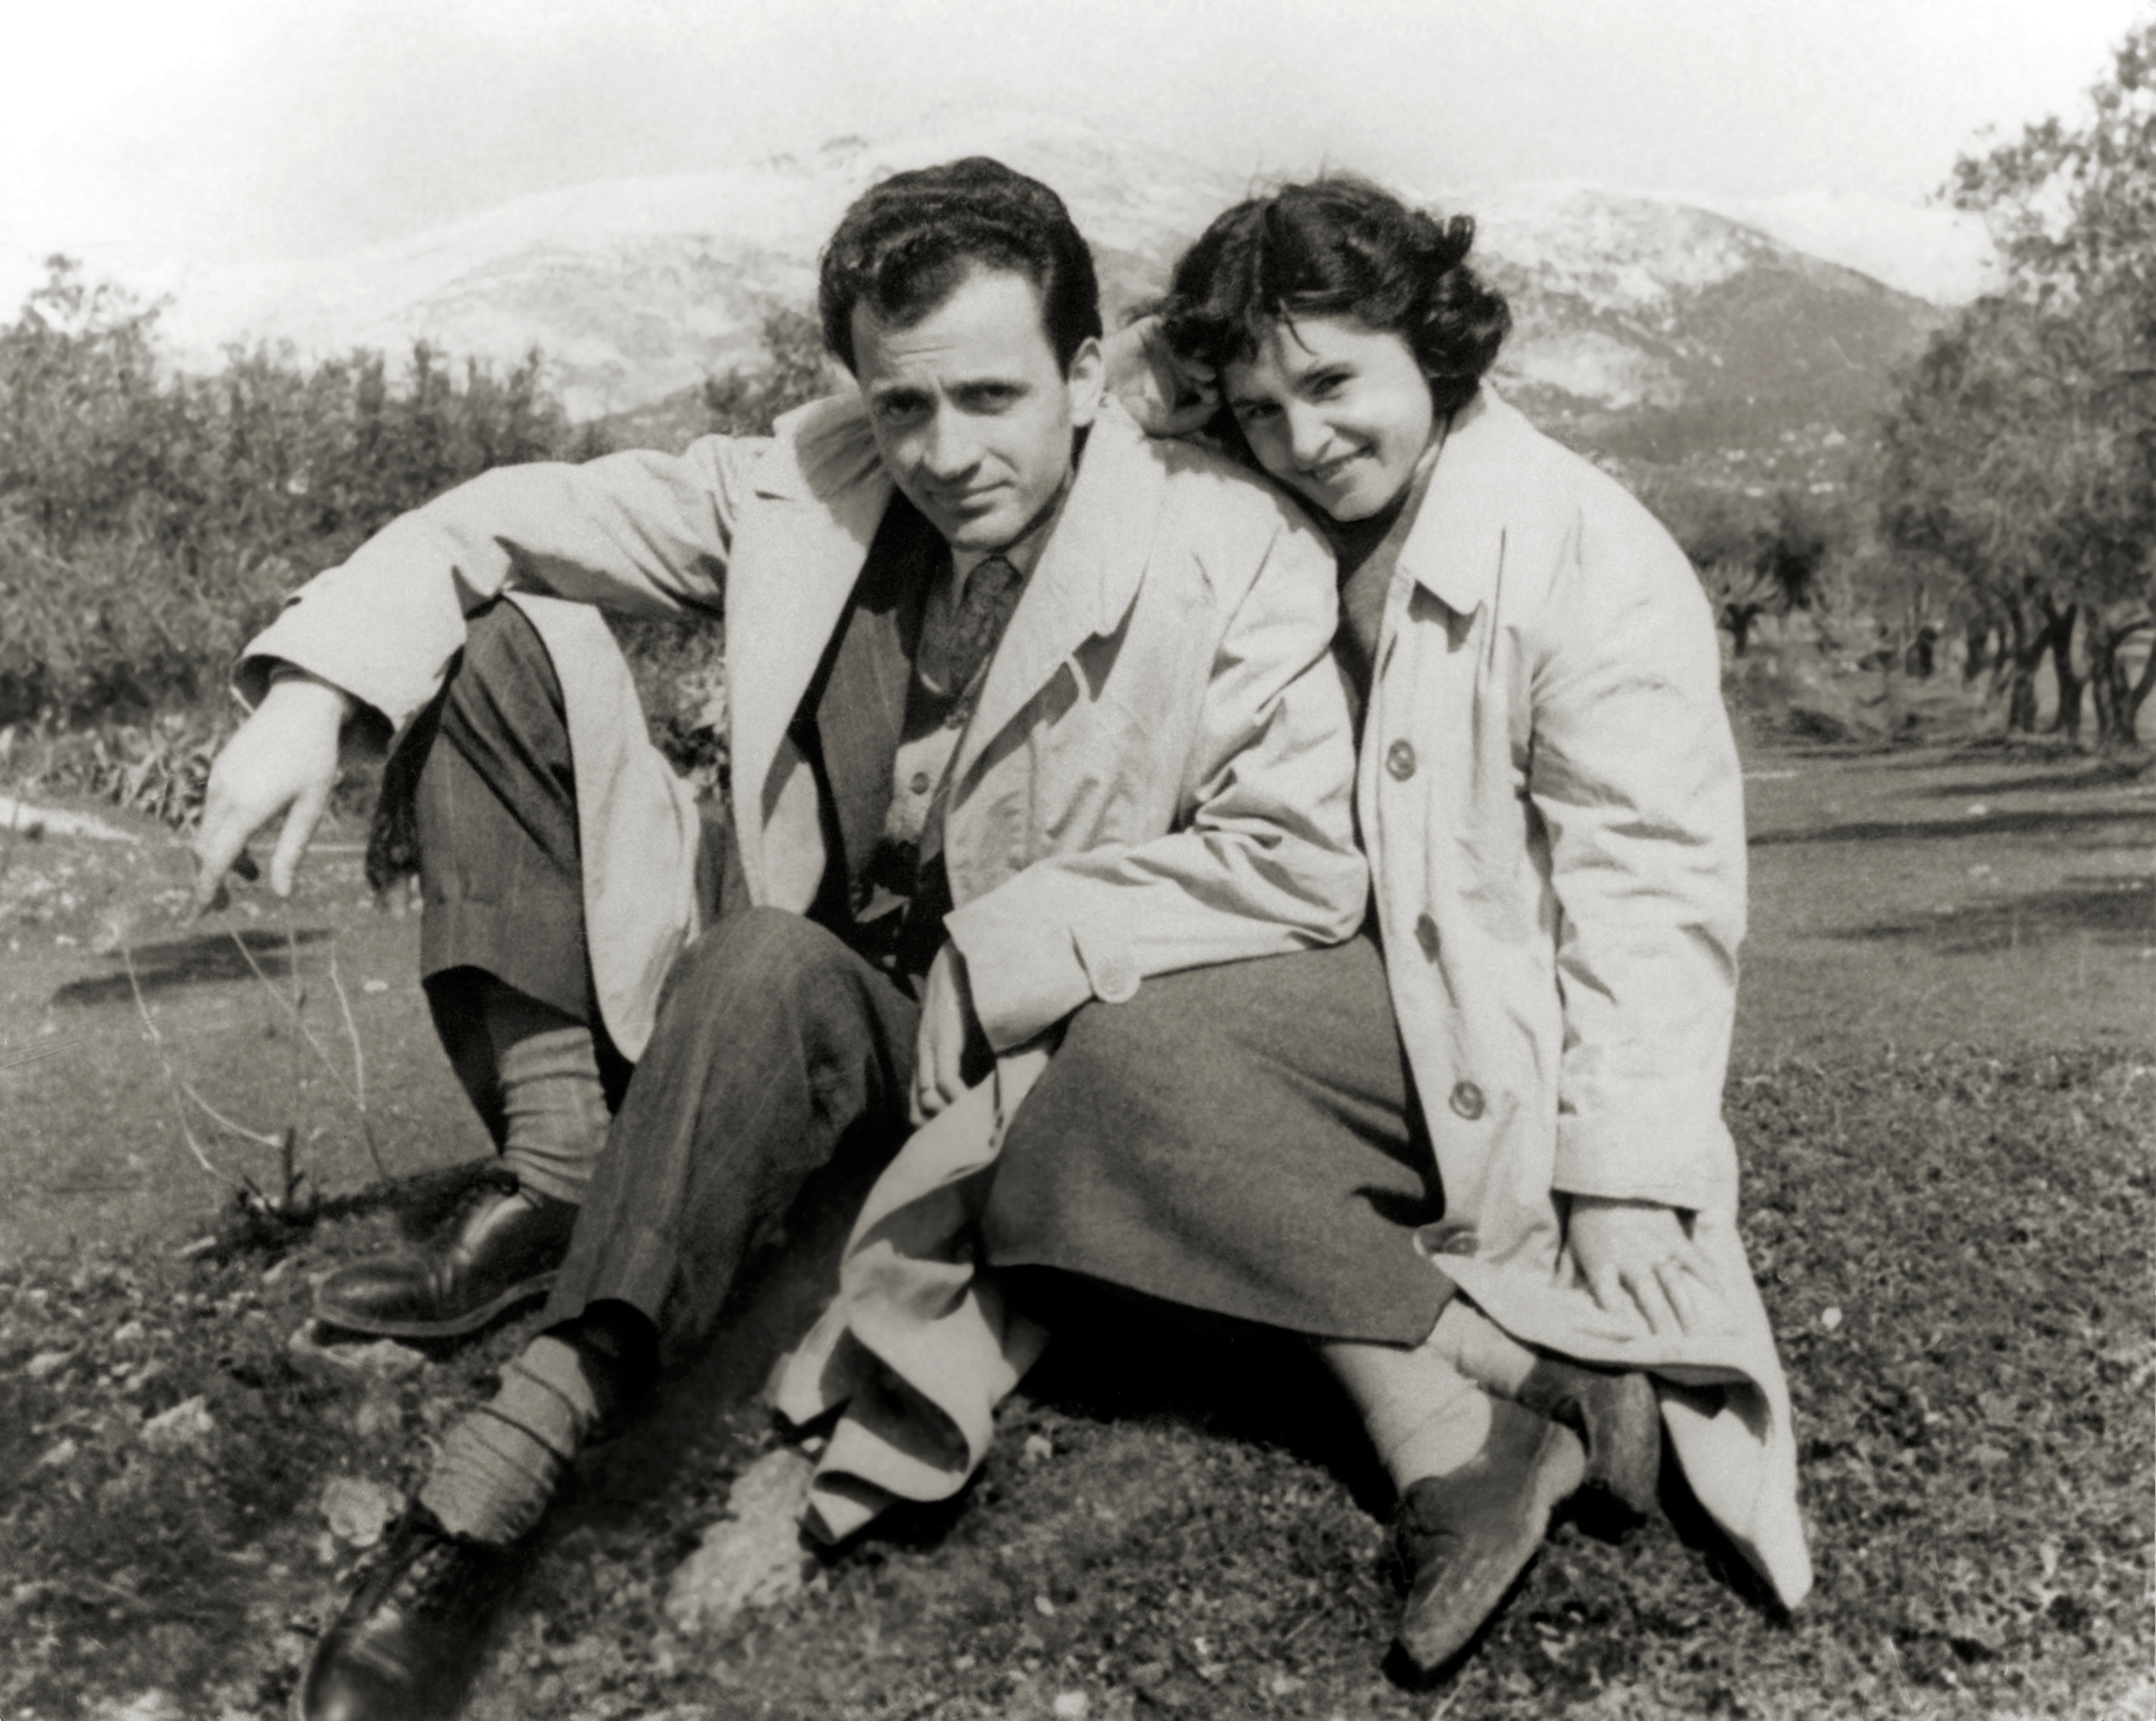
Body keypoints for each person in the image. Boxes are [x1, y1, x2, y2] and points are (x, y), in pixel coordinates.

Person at [192, 158, 1368, 1721]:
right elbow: (496, 520)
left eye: (992, 398)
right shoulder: (808, 484)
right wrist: (314, 692)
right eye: (903, 407)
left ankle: (483, 1500)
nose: (946, 455)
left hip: (976, 1085)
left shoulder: (1230, 547)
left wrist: (1008, 946)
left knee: (764, 965)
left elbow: (1292, 858)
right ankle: (560, 1170)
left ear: (1088, 374)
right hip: (755, 1006)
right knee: (500, 642)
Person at [779, 177, 1812, 1676]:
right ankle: (1502, 1401)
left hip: (1485, 1027)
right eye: (1260, 407)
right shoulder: (1264, 495)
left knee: (1120, 1079)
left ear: (1439, 356)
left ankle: (1461, 1422)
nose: (1305, 438)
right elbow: (1112, 384)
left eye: (1335, 383)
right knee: (1066, 1115)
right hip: (1335, 985)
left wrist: (1628, 1173)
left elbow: (1653, 875)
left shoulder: (1588, 551)